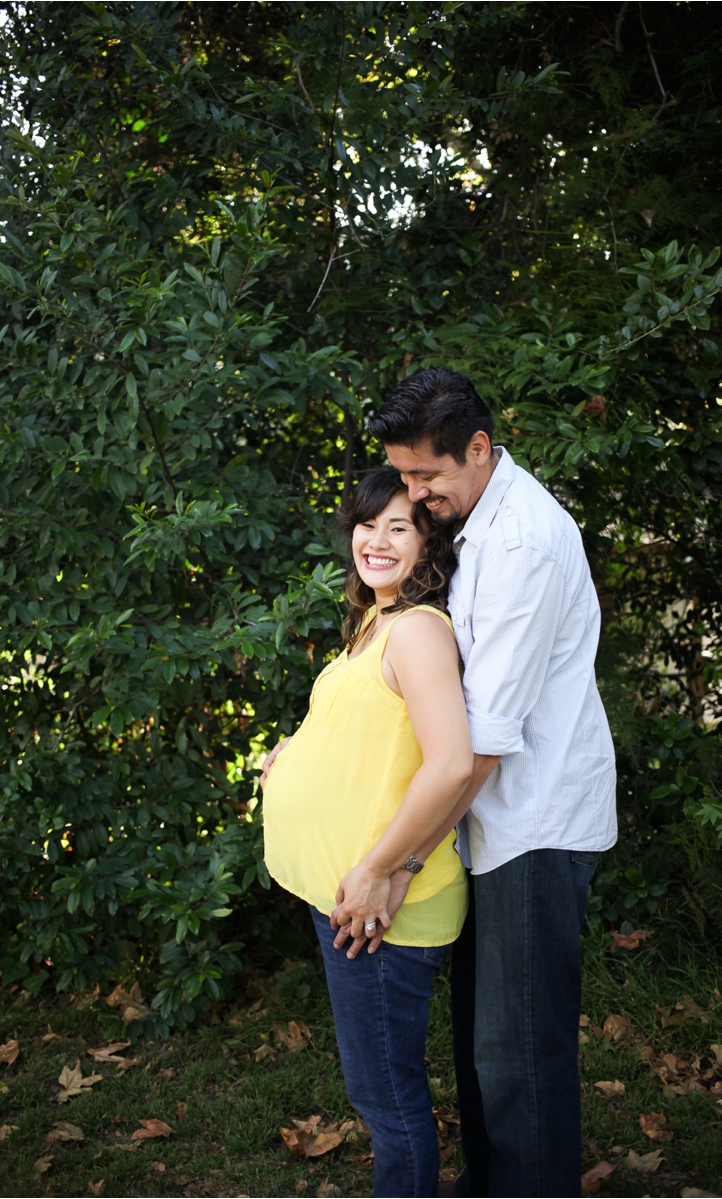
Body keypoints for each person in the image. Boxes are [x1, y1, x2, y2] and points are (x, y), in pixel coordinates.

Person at [338, 367, 618, 1198]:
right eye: (404, 474)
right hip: (482, 824)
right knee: (479, 1045)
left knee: (518, 1056)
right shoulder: (472, 520)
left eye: (426, 475)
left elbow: (482, 745)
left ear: (479, 449)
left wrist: (399, 864)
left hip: (535, 823)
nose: (415, 494)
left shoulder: (523, 542)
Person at [261, 465, 474, 1199]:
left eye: (399, 527)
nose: (377, 540)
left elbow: (451, 762)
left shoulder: (417, 631)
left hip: (378, 904)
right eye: (367, 523)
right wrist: (293, 753)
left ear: (428, 543)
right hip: (354, 894)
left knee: (386, 1095)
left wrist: (381, 869)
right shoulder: (375, 623)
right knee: (378, 1086)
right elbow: (367, 732)